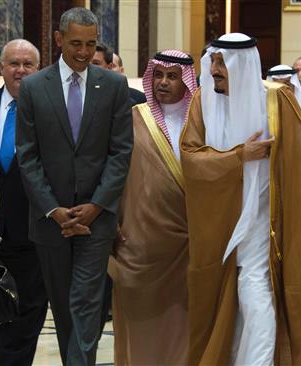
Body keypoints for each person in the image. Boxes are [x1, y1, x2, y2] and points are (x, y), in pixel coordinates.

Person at [181, 33, 301, 365]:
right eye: (212, 60)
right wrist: (241, 156)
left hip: (264, 219)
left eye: (221, 62)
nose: (214, 69)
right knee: (223, 299)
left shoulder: (276, 100)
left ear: (243, 64)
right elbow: (191, 159)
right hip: (217, 219)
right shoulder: (202, 101)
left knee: (254, 290)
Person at [16, 7, 133, 365]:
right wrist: (54, 209)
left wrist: (97, 205)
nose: (83, 52)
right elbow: (28, 156)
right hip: (51, 220)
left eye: (91, 44)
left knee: (85, 303)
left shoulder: (113, 85)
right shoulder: (34, 87)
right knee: (64, 307)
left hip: (96, 220)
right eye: (76, 43)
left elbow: (121, 152)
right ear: (58, 40)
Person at [109, 50, 196, 365]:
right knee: (141, 324)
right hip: (142, 243)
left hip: (191, 244)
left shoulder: (202, 121)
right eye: (157, 75)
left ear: (186, 81)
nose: (163, 82)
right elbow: (115, 176)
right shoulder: (133, 118)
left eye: (172, 76)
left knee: (185, 325)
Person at [0, 39, 47, 366]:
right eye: (13, 63)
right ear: (1, 67)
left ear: (39, 68)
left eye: (28, 64)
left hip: (35, 227)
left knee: (32, 306)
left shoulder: (51, 108)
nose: (20, 70)